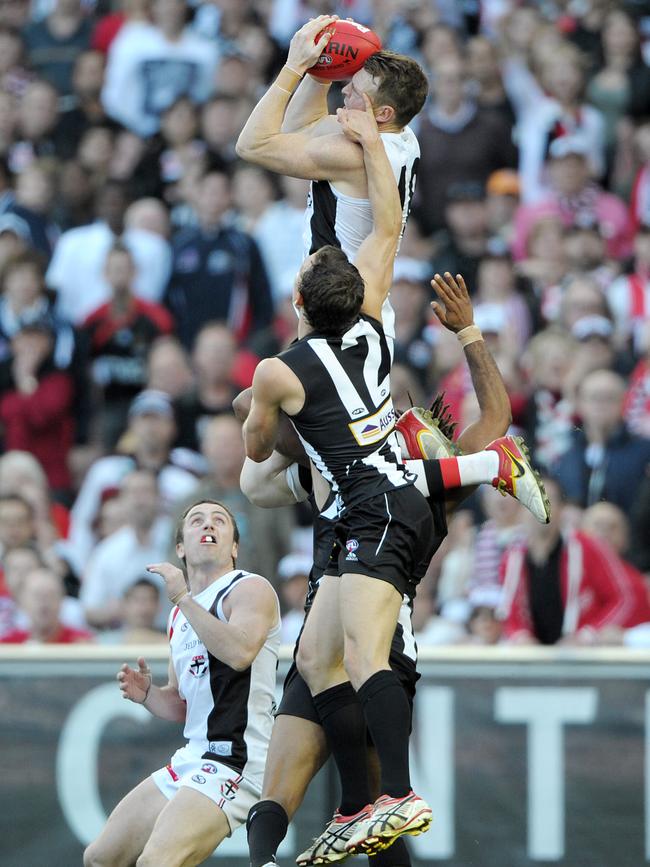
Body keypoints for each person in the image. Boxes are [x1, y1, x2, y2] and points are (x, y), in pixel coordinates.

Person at [244, 91, 549, 859]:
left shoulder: (409, 456)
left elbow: (490, 419)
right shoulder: (361, 381)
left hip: (378, 572)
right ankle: (353, 809)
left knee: (371, 778)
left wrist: (473, 337)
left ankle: (381, 804)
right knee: (287, 762)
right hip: (337, 563)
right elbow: (383, 232)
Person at [83, 499, 280, 867]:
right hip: (194, 756)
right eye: (197, 521)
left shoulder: (249, 589)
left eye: (220, 521)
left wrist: (183, 598)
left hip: (237, 760)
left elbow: (239, 653)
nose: (209, 525)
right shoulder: (178, 614)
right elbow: (181, 704)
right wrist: (149, 695)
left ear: (234, 547)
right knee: (100, 858)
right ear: (180, 547)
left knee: (157, 862)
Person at [236, 16, 428, 265]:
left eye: (356, 91)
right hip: (357, 290)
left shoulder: (351, 153)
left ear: (384, 113)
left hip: (338, 296)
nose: (345, 90)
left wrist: (293, 67)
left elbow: (251, 145)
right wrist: (325, 68)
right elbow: (302, 127)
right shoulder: (401, 134)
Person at [499, 476, 650, 645]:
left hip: (585, 661)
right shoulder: (512, 558)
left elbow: (627, 597)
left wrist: (587, 636)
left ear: (562, 509)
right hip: (535, 662)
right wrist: (521, 637)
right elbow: (510, 614)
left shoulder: (587, 548)